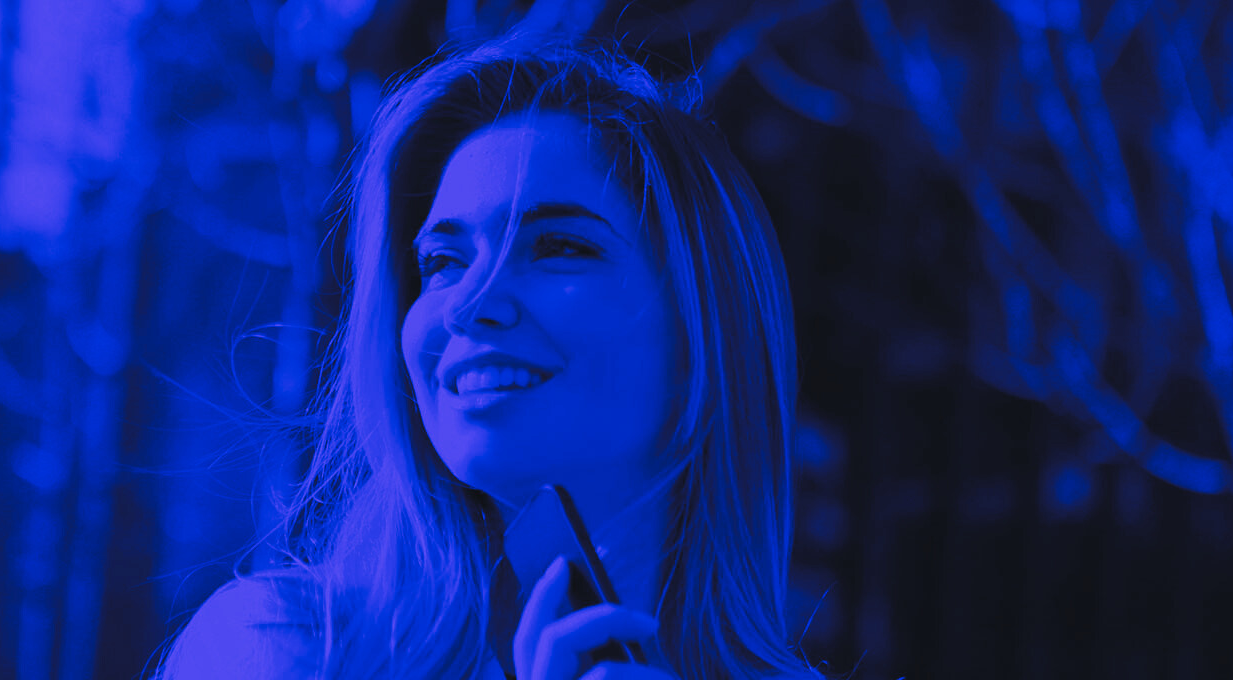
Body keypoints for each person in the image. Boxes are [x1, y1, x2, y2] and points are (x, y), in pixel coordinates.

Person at [157, 33, 822, 680]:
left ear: (701, 326)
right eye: (443, 262)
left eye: (558, 247)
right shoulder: (283, 649)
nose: (467, 305)